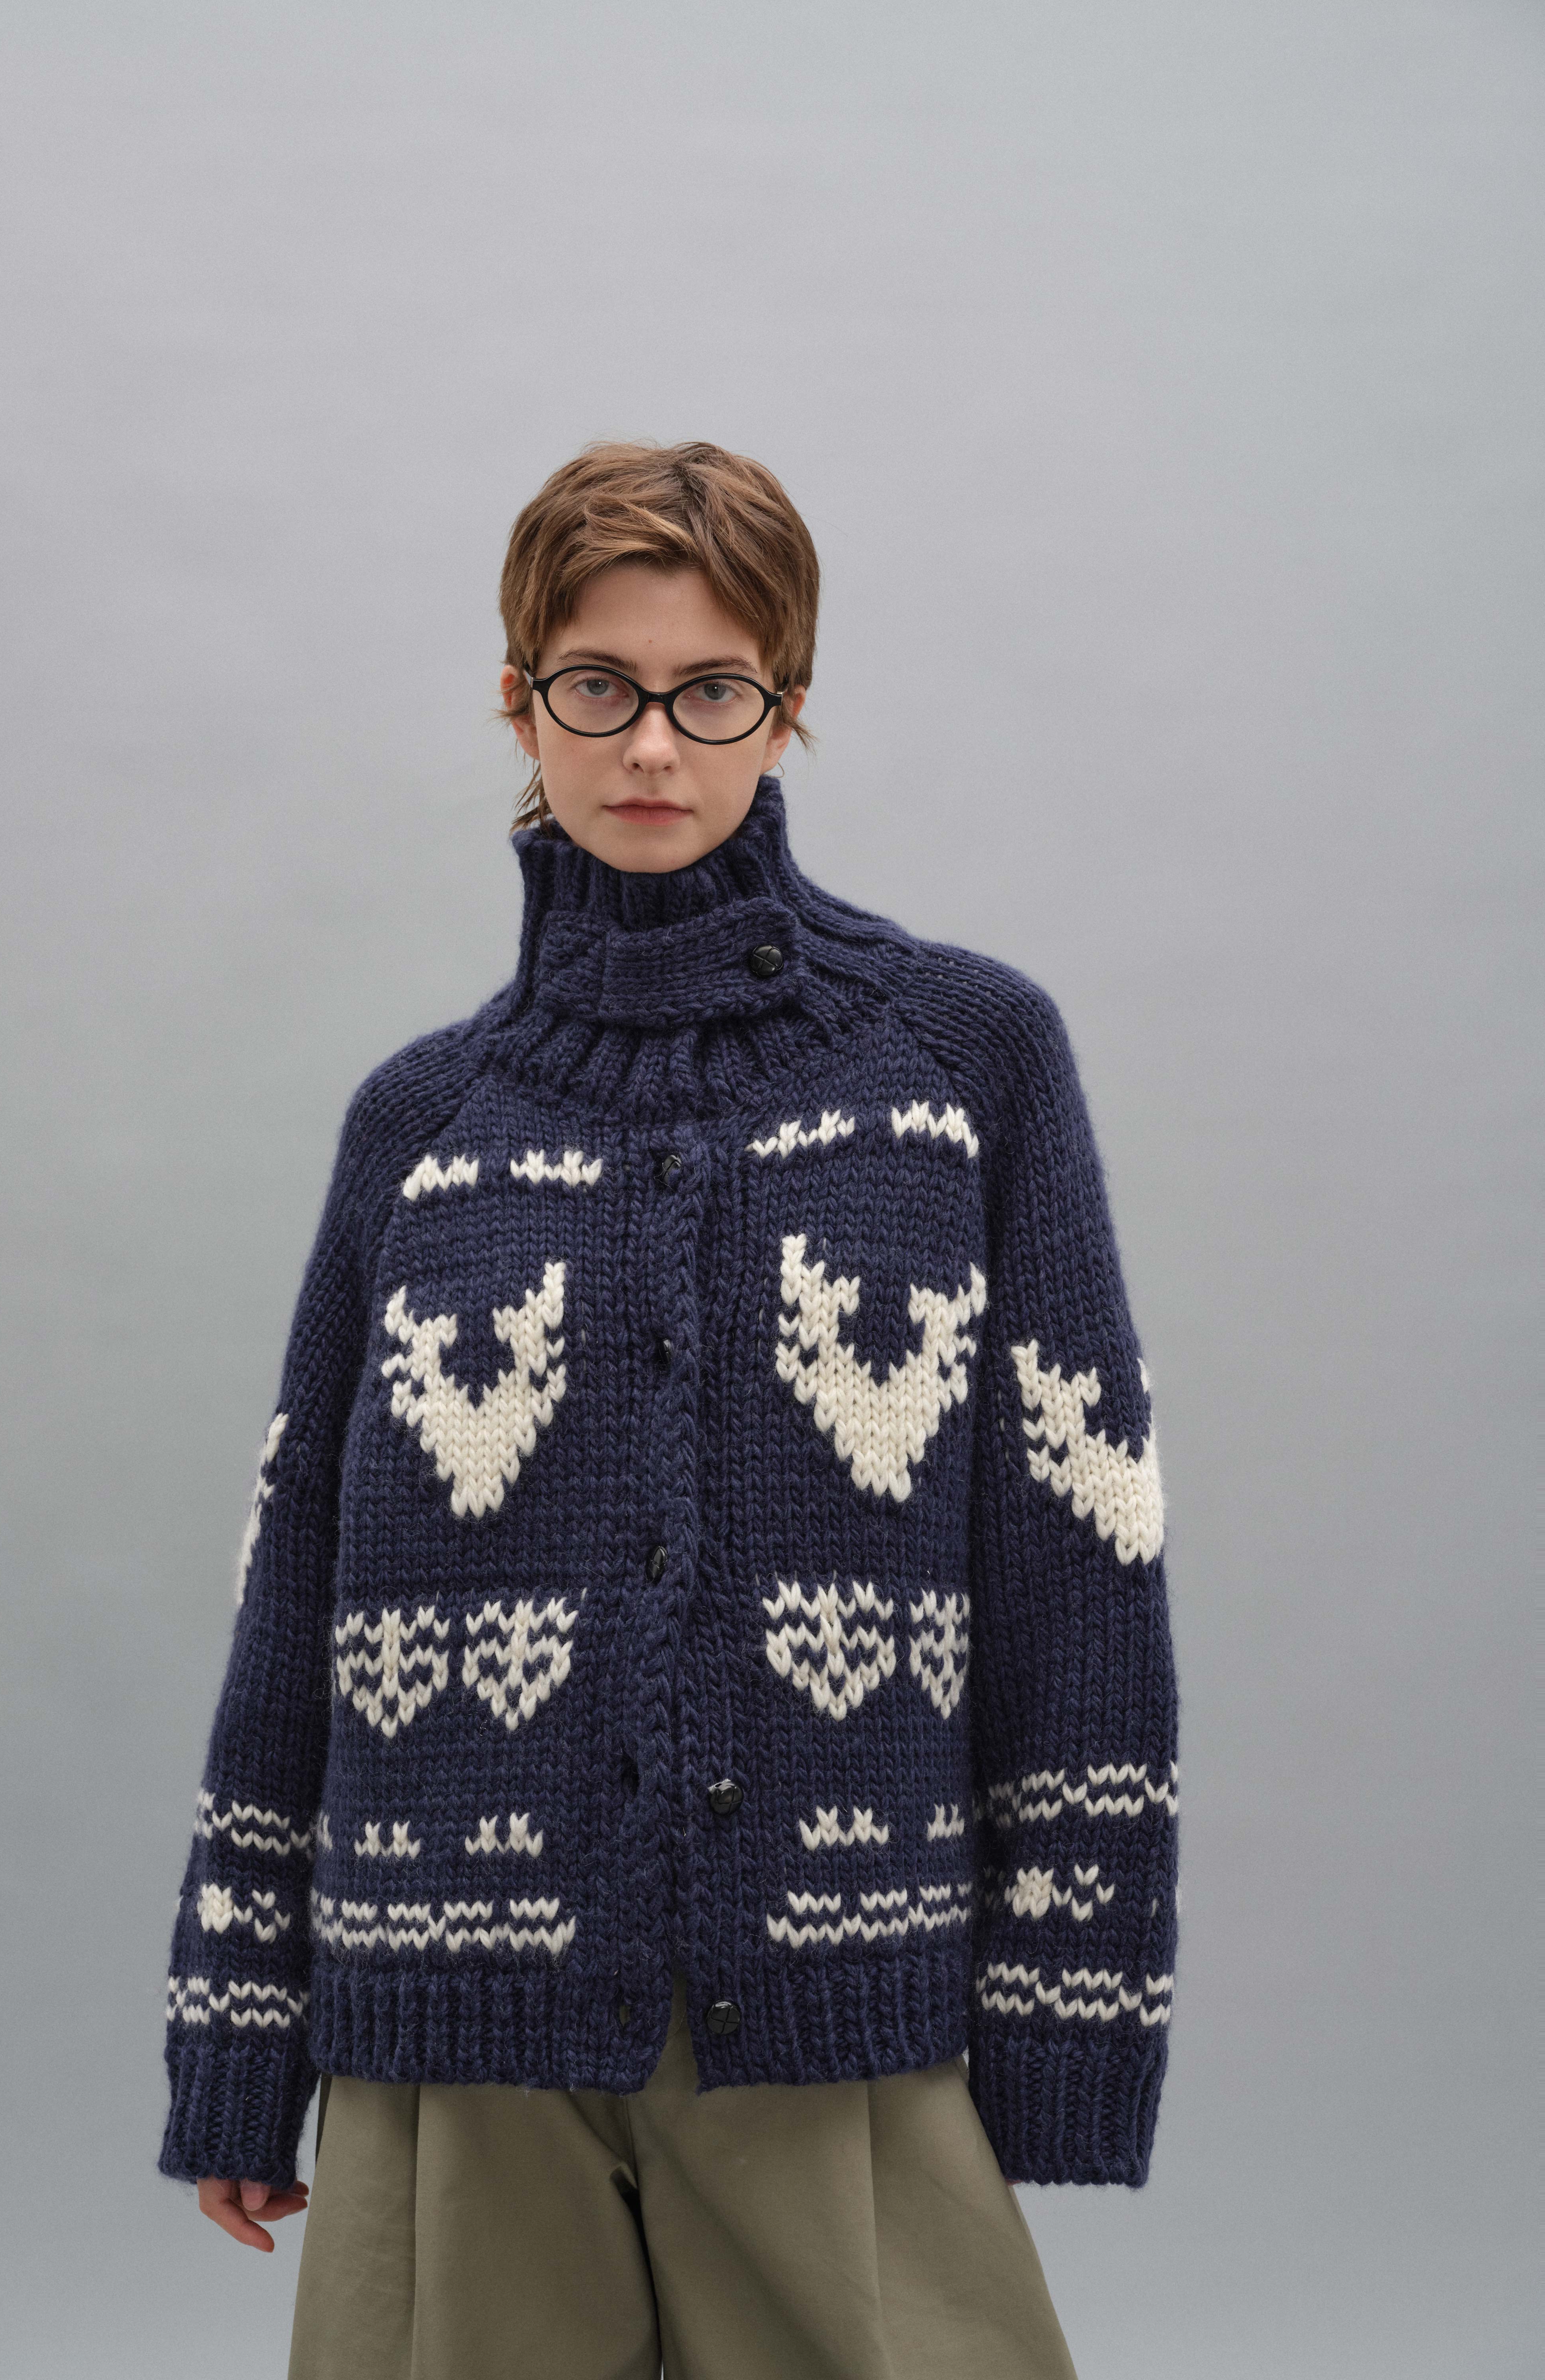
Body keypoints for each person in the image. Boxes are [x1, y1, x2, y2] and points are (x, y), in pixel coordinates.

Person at [157, 440, 1179, 2380]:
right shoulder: (420, 1124)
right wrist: (238, 2030)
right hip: (451, 2026)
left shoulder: (968, 1062)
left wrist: (1069, 2018)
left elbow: (1078, 1557)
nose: (650, 746)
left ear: (787, 708)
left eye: (712, 691)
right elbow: (298, 1585)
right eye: (597, 687)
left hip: (831, 2006)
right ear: (519, 701)